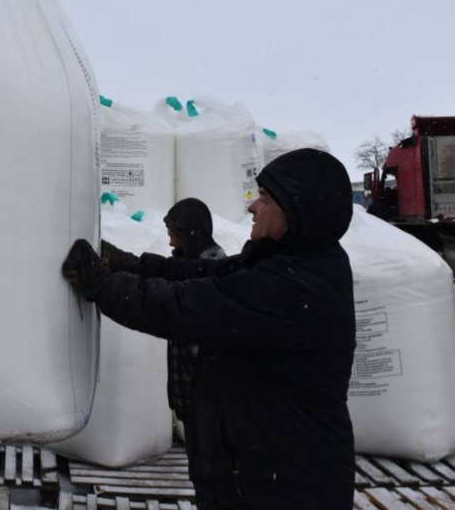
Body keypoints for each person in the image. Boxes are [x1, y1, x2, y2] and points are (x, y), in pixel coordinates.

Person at [63, 149, 356, 510]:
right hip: (259, 475)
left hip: (280, 489)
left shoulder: (294, 287)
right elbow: (210, 274)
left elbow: (184, 305)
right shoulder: (297, 263)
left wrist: (102, 284)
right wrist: (134, 265)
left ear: (295, 210)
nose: (252, 207)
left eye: (264, 198)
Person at [103, 198, 226, 483]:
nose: (170, 242)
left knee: (212, 479)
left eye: (174, 234)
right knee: (202, 474)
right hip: (194, 401)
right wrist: (122, 263)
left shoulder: (213, 267)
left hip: (210, 403)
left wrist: (106, 286)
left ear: (190, 233)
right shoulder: (190, 263)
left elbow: (168, 301)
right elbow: (163, 273)